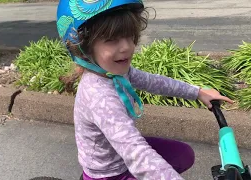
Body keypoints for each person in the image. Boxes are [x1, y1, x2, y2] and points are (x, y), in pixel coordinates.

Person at [56, 0, 234, 179]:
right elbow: (137, 153)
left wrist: (197, 92)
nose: (127, 47)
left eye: (130, 36)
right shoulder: (99, 97)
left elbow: (154, 82)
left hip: (122, 153)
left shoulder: (115, 73)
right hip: (109, 173)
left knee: (183, 155)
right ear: (83, 48)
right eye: (111, 40)